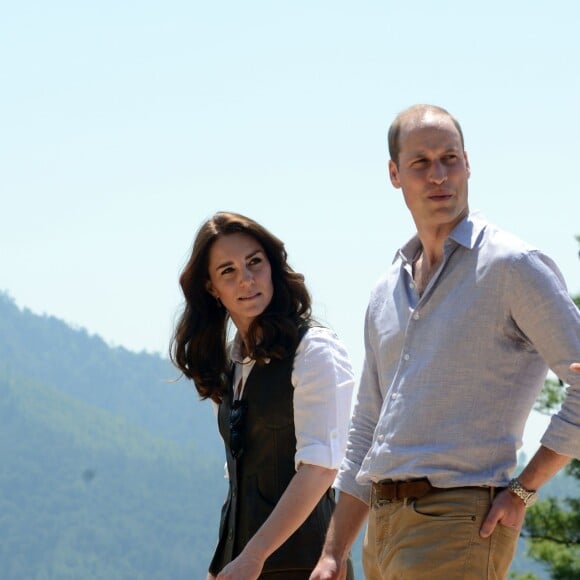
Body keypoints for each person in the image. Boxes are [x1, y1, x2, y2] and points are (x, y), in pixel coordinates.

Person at [310, 104, 580, 579]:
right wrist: (334, 552)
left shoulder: (513, 266)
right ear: (395, 174)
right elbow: (366, 431)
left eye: (449, 158)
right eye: (421, 163)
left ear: (468, 163)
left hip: (460, 522)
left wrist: (524, 490)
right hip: (383, 530)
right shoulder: (385, 291)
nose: (439, 175)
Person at [170, 211, 355, 580]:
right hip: (239, 568)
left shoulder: (315, 349)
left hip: (305, 567)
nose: (247, 279)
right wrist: (225, 564)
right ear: (211, 288)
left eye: (254, 262)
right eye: (229, 271)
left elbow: (320, 468)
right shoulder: (230, 367)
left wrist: (253, 556)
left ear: (272, 266)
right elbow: (240, 483)